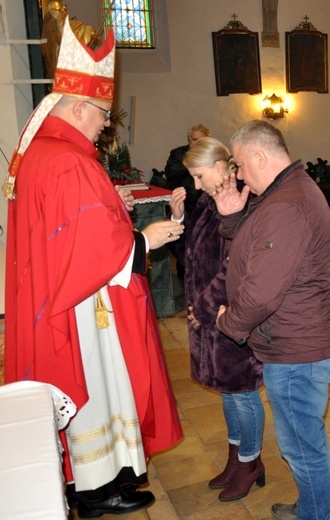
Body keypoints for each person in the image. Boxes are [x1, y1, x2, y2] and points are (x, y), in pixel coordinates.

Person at [3, 20, 183, 517]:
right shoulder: (68, 161)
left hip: (63, 294)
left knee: (103, 387)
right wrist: (145, 238)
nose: (107, 124)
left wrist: (111, 200)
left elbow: (67, 224)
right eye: (103, 114)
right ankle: (95, 489)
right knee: (97, 386)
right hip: (82, 302)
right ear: (79, 107)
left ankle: (103, 481)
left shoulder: (45, 152)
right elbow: (87, 243)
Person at [214, 121, 330, 520]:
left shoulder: (286, 204)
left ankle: (314, 515)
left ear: (259, 156)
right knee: (303, 437)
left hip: (298, 348)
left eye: (239, 164)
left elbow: (261, 291)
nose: (237, 174)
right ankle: (311, 505)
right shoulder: (283, 192)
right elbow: (258, 248)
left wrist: (230, 324)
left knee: (300, 445)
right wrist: (232, 219)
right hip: (300, 335)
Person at [168, 137, 265, 502]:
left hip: (229, 316)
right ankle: (235, 460)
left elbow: (235, 268)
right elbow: (190, 256)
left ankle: (251, 463)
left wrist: (205, 309)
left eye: (198, 175)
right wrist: (178, 220)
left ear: (221, 167)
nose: (195, 185)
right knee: (227, 392)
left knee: (242, 391)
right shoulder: (210, 201)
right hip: (208, 321)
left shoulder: (243, 201)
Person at [164, 123, 211, 280]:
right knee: (182, 242)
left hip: (203, 204)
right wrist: (192, 162)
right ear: (189, 139)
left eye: (202, 141)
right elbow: (171, 172)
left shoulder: (209, 155)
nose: (198, 144)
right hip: (185, 204)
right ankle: (183, 277)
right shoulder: (178, 153)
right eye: (195, 140)